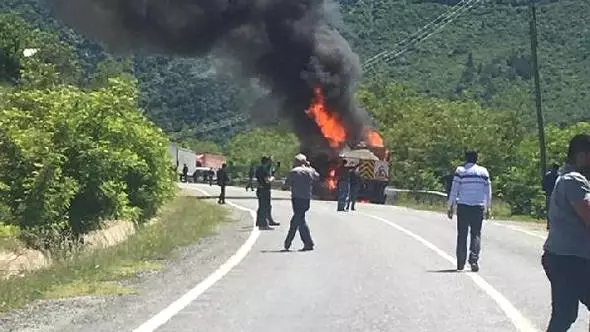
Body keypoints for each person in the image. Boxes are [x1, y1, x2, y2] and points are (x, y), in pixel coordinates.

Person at [541, 134, 590, 332]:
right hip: (571, 260)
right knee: (564, 315)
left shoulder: (565, 177)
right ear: (581, 156)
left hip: (565, 258)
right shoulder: (573, 180)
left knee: (564, 315)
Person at [447, 150, 492, 272]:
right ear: (476, 159)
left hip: (463, 206)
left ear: (466, 159)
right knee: (476, 233)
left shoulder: (460, 171)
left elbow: (454, 189)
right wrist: (488, 207)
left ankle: (460, 262)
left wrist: (450, 206)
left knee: (462, 234)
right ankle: (474, 259)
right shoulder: (483, 172)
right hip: (478, 206)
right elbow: (488, 191)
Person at [282, 154, 318, 251]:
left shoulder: (294, 172)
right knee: (299, 220)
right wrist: (310, 167)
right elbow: (317, 177)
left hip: (297, 199)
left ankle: (289, 241)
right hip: (306, 199)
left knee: (296, 220)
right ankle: (307, 243)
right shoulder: (310, 171)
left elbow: (285, 186)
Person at [255, 156, 280, 230]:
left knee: (263, 206)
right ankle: (263, 225)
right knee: (264, 207)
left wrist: (275, 169)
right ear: (267, 162)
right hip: (264, 190)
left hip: (260, 189)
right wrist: (272, 179)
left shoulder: (259, 169)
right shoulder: (263, 170)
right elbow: (267, 180)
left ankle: (260, 222)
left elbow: (270, 173)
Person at [543, 163, 560, 230]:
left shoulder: (548, 175)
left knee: (549, 209)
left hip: (549, 194)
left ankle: (548, 224)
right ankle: (554, 224)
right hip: (557, 195)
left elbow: (544, 184)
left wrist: (545, 190)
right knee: (557, 210)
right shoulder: (559, 176)